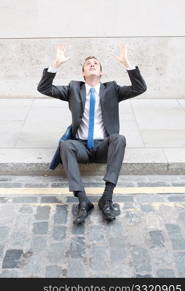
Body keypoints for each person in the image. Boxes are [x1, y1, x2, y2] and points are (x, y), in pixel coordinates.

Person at [37, 44, 147, 225]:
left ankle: (107, 198)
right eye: (88, 63)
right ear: (83, 74)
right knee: (65, 145)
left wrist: (127, 64)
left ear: (101, 73)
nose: (92, 64)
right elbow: (44, 89)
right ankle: (83, 201)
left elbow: (140, 88)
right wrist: (55, 65)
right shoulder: (73, 88)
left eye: (96, 63)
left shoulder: (112, 89)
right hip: (80, 147)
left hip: (104, 146)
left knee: (119, 138)